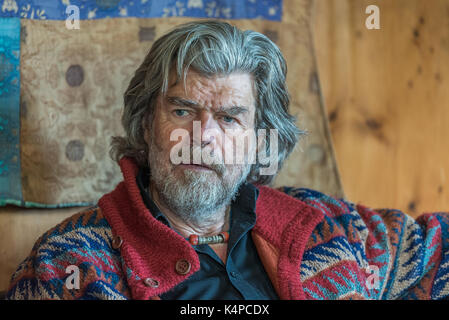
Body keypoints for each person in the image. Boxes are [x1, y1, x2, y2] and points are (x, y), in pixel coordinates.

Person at [6, 20, 449, 300]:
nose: (204, 136)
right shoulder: (72, 264)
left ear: (259, 142)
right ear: (145, 125)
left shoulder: (325, 224)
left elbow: (435, 248)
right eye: (182, 110)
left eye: (229, 117)